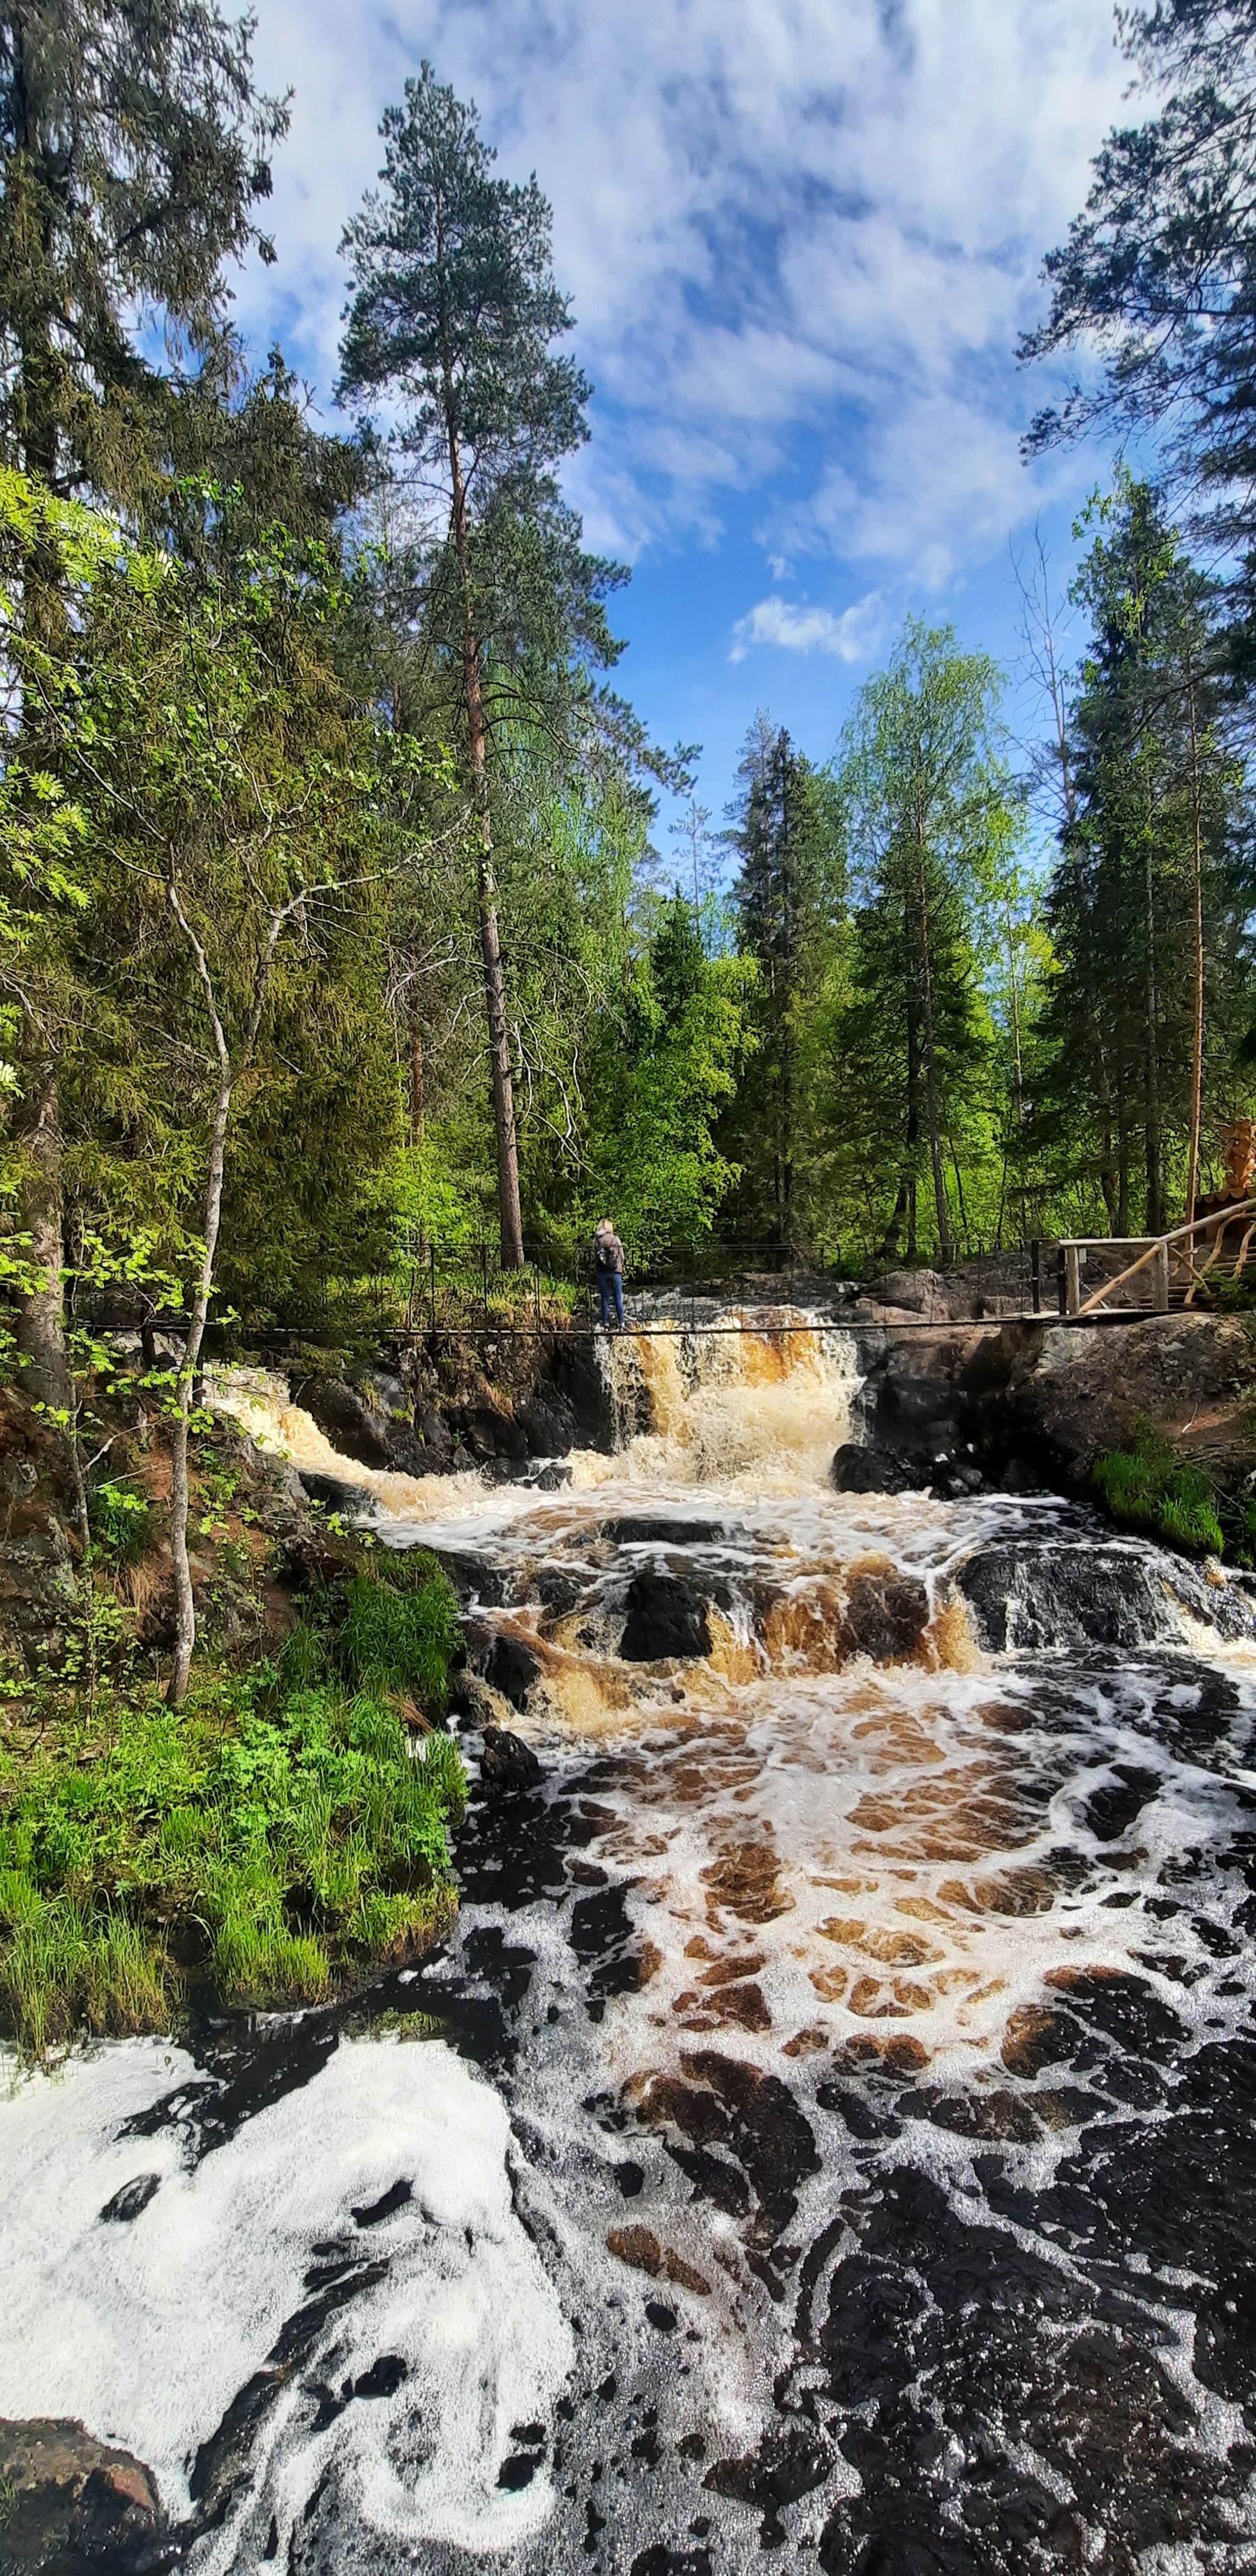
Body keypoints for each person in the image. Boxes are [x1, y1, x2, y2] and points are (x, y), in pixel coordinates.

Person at [592, 1218, 626, 1328]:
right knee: (618, 1297)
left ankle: (606, 1323)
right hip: (615, 1271)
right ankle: (621, 1323)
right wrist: (621, 1265)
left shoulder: (597, 1240)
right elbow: (622, 1255)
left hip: (602, 1272)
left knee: (605, 1298)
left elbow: (595, 1257)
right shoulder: (616, 1239)